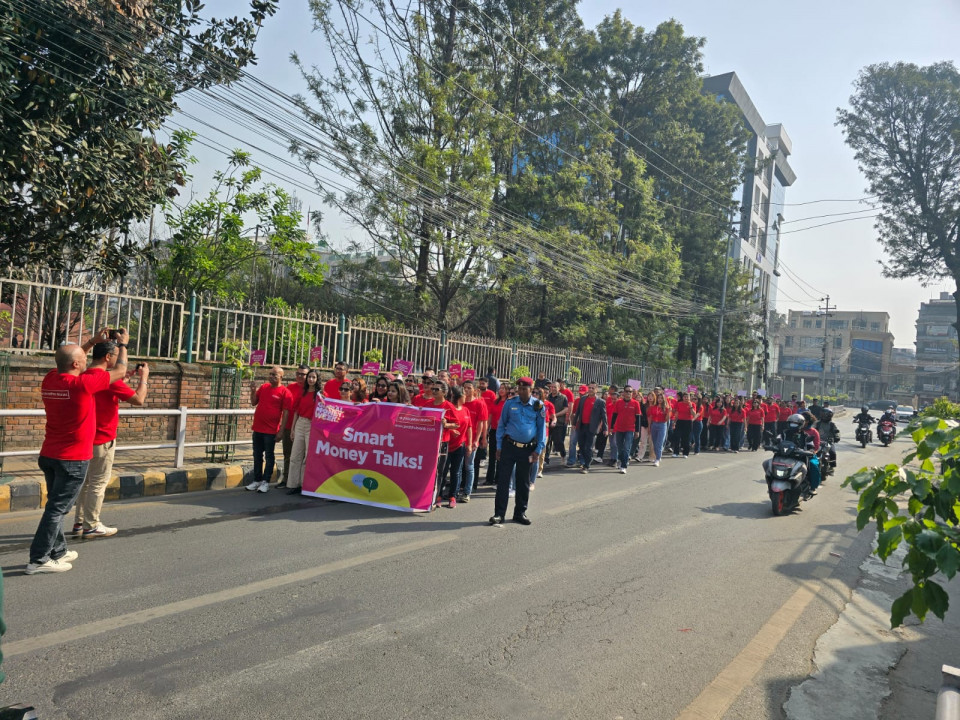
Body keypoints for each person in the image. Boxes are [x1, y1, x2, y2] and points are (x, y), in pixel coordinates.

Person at [28, 330, 130, 574]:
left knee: (54, 505)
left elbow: (70, 359)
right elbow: (121, 371)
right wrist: (124, 345)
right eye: (83, 360)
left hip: (49, 454)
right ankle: (38, 560)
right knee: (57, 510)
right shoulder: (83, 385)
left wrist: (92, 342)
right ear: (76, 365)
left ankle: (58, 551)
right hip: (72, 459)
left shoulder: (51, 379)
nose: (87, 362)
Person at [72, 340, 150, 539]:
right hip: (103, 439)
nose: (120, 361)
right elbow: (139, 399)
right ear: (108, 357)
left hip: (85, 438)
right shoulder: (110, 380)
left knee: (86, 484)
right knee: (98, 483)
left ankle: (80, 522)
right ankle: (91, 525)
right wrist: (144, 379)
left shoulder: (83, 375)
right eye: (117, 356)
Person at [490, 376, 545, 526]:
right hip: (509, 446)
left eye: (524, 388)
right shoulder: (510, 403)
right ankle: (498, 514)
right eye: (519, 388)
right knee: (503, 481)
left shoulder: (538, 406)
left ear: (531, 388)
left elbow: (541, 430)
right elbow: (502, 425)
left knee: (523, 482)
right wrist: (499, 446)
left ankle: (520, 513)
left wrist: (538, 449)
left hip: (527, 449)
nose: (521, 391)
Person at [245, 367, 292, 493]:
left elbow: (286, 413)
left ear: (281, 377)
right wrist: (253, 391)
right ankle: (257, 480)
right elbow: (254, 402)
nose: (271, 377)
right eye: (270, 374)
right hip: (258, 428)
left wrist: (281, 431)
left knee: (269, 456)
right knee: (257, 455)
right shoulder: (264, 387)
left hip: (271, 431)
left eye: (274, 375)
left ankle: (266, 481)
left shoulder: (285, 392)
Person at [285, 369, 320, 494]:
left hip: (312, 425)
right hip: (300, 423)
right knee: (295, 455)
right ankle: (293, 484)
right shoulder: (303, 393)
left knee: (307, 457)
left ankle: (304, 485)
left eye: (313, 377)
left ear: (317, 379)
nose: (311, 379)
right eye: (309, 377)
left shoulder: (320, 395)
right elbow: (296, 411)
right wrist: (293, 429)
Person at [279, 364, 308, 488]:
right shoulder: (290, 387)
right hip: (288, 425)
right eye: (298, 374)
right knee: (288, 455)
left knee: (302, 456)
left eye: (303, 374)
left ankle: (301, 482)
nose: (300, 376)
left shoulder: (311, 390)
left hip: (304, 427)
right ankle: (286, 480)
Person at [444, 386, 472, 508]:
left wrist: (469, 444)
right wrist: (450, 431)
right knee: (443, 471)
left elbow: (470, 427)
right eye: (464, 394)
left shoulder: (466, 410)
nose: (466, 396)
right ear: (459, 396)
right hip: (446, 445)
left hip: (460, 446)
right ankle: (439, 495)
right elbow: (442, 424)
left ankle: (452, 496)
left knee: (456, 472)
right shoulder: (448, 408)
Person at [461, 380, 488, 501]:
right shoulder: (460, 402)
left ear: (474, 390)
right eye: (465, 388)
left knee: (469, 466)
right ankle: (456, 491)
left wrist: (478, 440)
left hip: (471, 440)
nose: (466, 390)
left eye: (469, 388)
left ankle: (467, 492)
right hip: (459, 439)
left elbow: (481, 423)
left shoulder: (479, 404)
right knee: (458, 467)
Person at [572, 382, 606, 473]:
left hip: (592, 427)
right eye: (589, 388)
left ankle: (586, 465)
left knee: (588, 447)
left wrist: (605, 429)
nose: (590, 389)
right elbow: (578, 412)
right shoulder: (582, 399)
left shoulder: (600, 402)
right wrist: (574, 423)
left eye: (592, 388)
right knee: (581, 446)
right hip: (582, 425)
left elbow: (604, 416)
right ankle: (587, 459)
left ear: (596, 390)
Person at [612, 387, 641, 473]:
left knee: (626, 447)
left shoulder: (636, 403)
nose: (628, 393)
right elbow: (615, 415)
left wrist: (637, 430)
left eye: (630, 392)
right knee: (620, 447)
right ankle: (622, 460)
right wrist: (611, 427)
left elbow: (638, 417)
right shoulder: (618, 402)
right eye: (627, 391)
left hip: (630, 429)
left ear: (632, 393)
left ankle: (623, 466)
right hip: (619, 428)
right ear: (623, 393)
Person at [546, 381, 569, 463]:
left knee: (558, 441)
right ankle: (546, 459)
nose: (553, 389)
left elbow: (566, 409)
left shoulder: (563, 397)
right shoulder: (547, 397)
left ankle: (563, 455)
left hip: (559, 422)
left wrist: (555, 415)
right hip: (548, 422)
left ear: (559, 388)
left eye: (555, 387)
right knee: (547, 441)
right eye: (551, 387)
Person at [646, 391, 669, 467]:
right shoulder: (653, 407)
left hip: (662, 425)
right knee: (655, 444)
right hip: (654, 425)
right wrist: (649, 427)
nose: (660, 400)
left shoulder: (666, 408)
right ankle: (658, 455)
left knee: (659, 443)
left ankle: (657, 459)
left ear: (663, 399)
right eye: (659, 398)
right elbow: (650, 418)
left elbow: (666, 419)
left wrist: (669, 412)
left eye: (661, 398)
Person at [671, 391, 694, 458]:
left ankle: (685, 453)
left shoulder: (692, 404)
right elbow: (677, 413)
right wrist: (674, 422)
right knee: (677, 437)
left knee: (686, 438)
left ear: (690, 398)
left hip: (688, 422)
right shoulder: (679, 403)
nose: (686, 398)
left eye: (687, 397)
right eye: (684, 397)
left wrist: (691, 407)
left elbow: (694, 414)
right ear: (682, 397)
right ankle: (676, 452)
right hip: (680, 421)